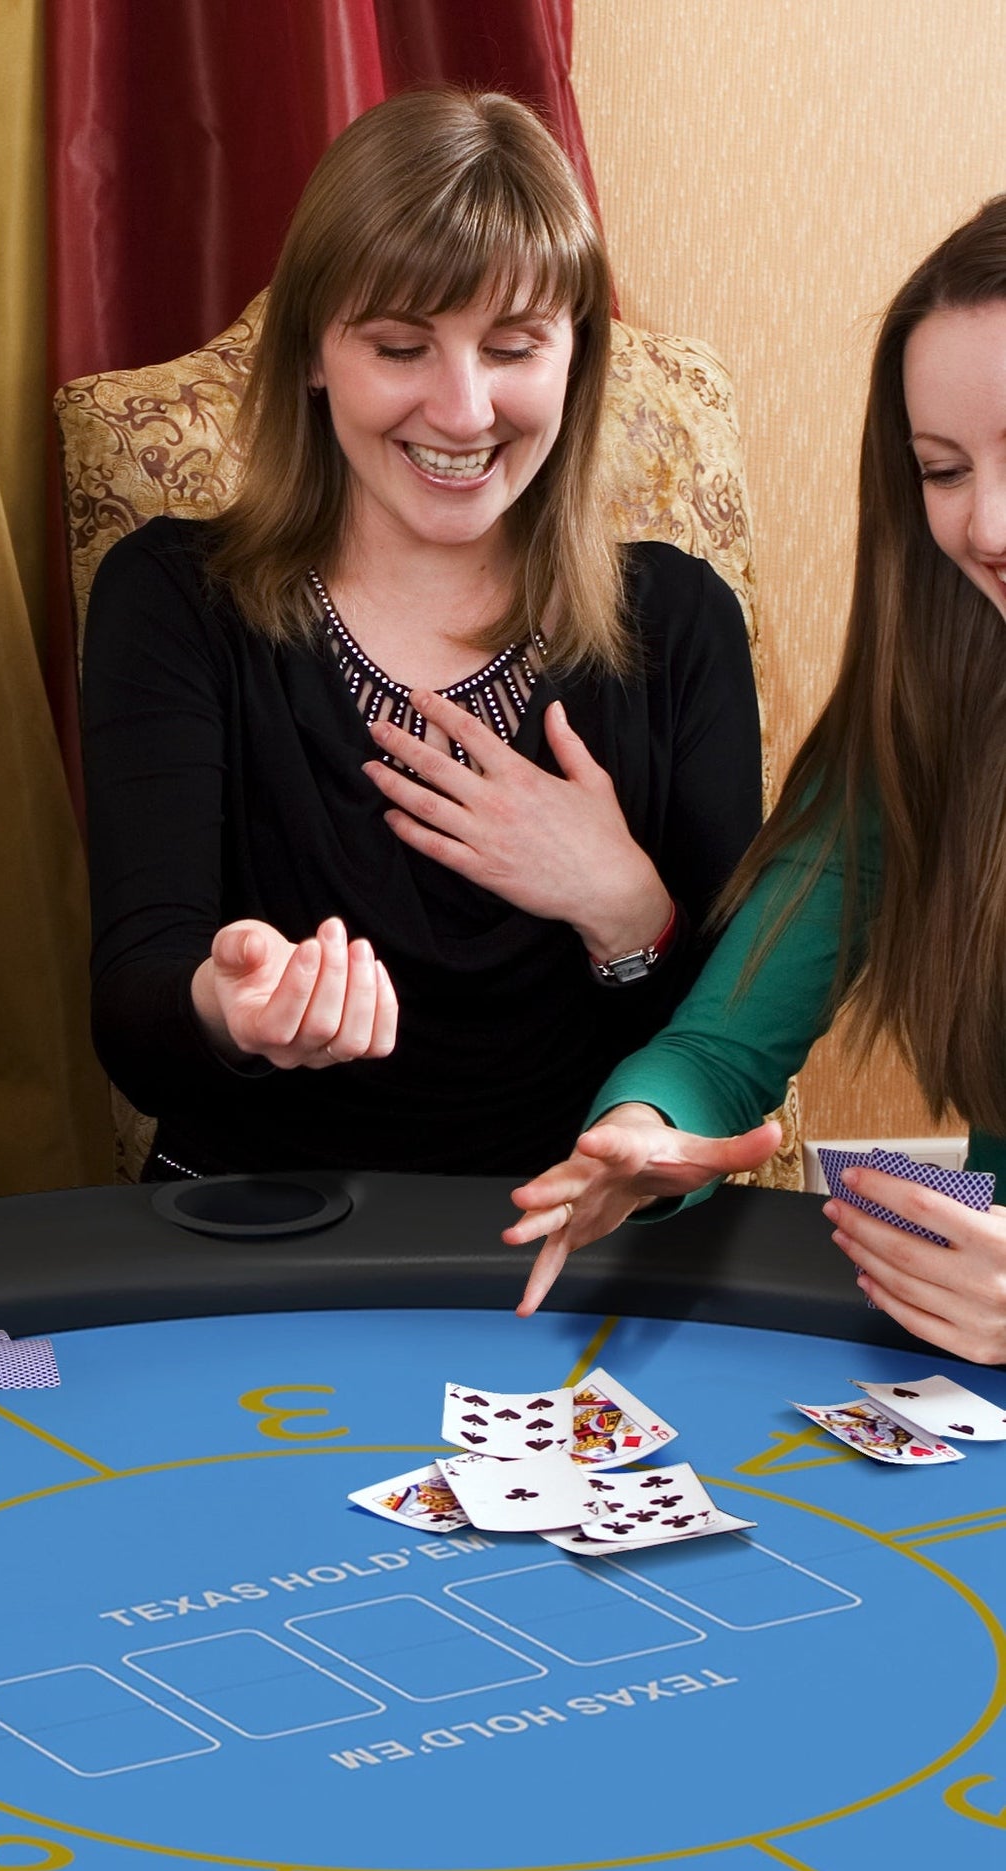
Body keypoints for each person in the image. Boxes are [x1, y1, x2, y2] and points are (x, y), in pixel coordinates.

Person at [81, 91, 762, 1182]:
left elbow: (736, 1049)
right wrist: (229, 1006)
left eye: (511, 347)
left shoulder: (677, 623)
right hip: (258, 1237)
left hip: (571, 1232)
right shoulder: (172, 599)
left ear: (574, 359)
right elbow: (133, 1018)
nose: (460, 409)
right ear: (313, 353)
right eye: (401, 347)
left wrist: (623, 904)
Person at [507, 197, 1006, 1368]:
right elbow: (722, 1051)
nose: (984, 523)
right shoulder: (922, 717)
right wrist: (641, 1132)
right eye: (940, 469)